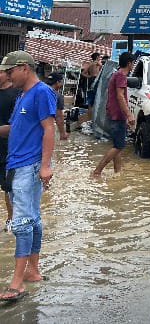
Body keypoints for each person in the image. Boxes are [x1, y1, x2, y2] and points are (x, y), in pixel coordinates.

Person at [0, 51, 56, 302]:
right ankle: (33, 271)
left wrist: (45, 165)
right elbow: (15, 129)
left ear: (24, 68)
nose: (7, 77)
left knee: (22, 222)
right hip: (17, 164)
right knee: (32, 219)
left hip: (29, 166)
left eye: (10, 72)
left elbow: (49, 128)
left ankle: (17, 283)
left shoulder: (41, 92)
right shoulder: (23, 95)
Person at [91, 52, 136, 178]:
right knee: (119, 146)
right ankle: (97, 171)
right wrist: (129, 115)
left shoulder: (116, 74)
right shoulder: (121, 76)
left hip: (113, 114)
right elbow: (120, 96)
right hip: (118, 115)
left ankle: (117, 172)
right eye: (133, 63)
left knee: (118, 145)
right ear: (129, 63)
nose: (133, 65)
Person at [0, 68, 21, 231]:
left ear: (7, 74)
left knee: (8, 186)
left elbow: (20, 125)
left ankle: (11, 218)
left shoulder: (17, 94)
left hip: (9, 147)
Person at [43, 73, 68, 141]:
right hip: (45, 127)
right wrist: (62, 133)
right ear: (58, 82)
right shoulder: (57, 96)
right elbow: (59, 116)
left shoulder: (37, 91)